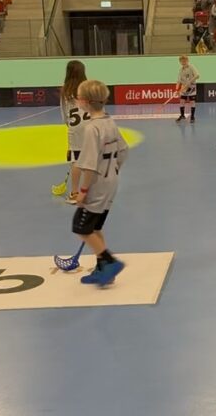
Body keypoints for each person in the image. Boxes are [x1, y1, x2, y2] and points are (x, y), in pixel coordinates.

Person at [60, 80, 128, 287]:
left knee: (81, 227)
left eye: (79, 97)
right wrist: (113, 170)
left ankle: (110, 262)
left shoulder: (92, 129)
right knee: (95, 226)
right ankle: (102, 270)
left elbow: (89, 166)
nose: (77, 100)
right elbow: (123, 150)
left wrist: (82, 191)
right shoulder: (109, 122)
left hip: (97, 184)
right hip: (111, 180)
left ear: (86, 102)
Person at [60, 60, 89, 204]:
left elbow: (64, 115)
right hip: (91, 126)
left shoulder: (65, 91)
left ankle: (75, 194)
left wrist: (70, 125)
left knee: (76, 160)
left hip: (76, 129)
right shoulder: (89, 88)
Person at [175, 55, 200, 123]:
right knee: (182, 101)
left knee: (192, 102)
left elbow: (197, 75)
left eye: (185, 61)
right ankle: (182, 115)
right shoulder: (181, 70)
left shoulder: (191, 67)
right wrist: (177, 90)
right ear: (180, 62)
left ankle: (192, 117)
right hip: (184, 88)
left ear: (187, 61)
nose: (183, 62)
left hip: (191, 87)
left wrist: (190, 81)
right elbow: (178, 80)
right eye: (182, 61)